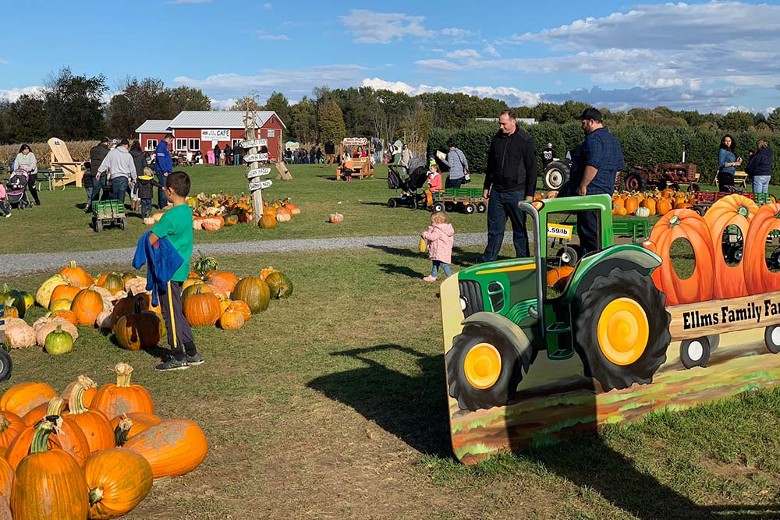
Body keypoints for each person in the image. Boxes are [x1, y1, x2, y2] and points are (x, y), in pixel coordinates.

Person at [145, 171, 203, 371]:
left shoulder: (169, 218)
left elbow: (151, 239)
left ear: (170, 191)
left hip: (168, 271)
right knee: (177, 310)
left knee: (170, 313)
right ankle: (192, 352)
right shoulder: (187, 212)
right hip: (181, 269)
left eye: (164, 189)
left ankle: (178, 355)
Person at [559, 108, 625, 256]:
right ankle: (600, 259)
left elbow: (593, 164)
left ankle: (591, 265)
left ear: (592, 122)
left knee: (589, 235)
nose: (582, 126)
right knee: (601, 232)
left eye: (584, 123)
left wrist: (583, 185)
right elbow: (618, 169)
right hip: (605, 194)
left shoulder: (593, 139)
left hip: (590, 193)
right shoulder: (613, 140)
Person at [481, 110, 538, 262]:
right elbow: (491, 165)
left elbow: (532, 168)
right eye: (499, 123)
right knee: (494, 229)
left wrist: (529, 194)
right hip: (497, 192)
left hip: (517, 192)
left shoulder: (525, 140)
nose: (501, 126)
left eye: (504, 124)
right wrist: (487, 186)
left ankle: (523, 260)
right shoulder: (496, 139)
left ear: (513, 121)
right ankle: (488, 260)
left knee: (519, 228)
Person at [96, 139, 137, 208]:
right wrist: (134, 178)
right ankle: (120, 212)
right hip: (124, 177)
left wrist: (99, 172)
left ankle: (114, 211)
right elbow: (132, 168)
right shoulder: (128, 155)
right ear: (126, 145)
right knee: (121, 194)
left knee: (114, 194)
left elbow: (105, 162)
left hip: (114, 177)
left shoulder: (112, 153)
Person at [421, 211, 455, 282]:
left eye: (432, 221)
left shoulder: (438, 229)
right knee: (435, 263)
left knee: (444, 264)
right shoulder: (446, 228)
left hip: (440, 250)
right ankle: (433, 276)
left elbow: (432, 237)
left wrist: (425, 234)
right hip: (443, 249)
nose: (431, 223)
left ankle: (451, 278)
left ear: (438, 221)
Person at [86, 137, 111, 212]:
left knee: (95, 190)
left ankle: (93, 206)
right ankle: (102, 204)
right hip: (102, 172)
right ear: (106, 143)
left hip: (94, 171)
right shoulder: (107, 151)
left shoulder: (93, 149)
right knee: (105, 189)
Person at [155, 134, 174, 208]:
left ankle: (163, 203)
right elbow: (161, 160)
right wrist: (164, 170)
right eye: (171, 140)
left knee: (165, 186)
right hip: (162, 170)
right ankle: (163, 205)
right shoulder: (161, 146)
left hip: (166, 170)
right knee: (163, 187)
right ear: (168, 139)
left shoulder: (164, 146)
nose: (171, 142)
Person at [129, 141, 146, 212]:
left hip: (131, 174)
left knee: (133, 189)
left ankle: (133, 204)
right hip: (140, 175)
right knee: (139, 190)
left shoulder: (129, 154)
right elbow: (144, 165)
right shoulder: (141, 155)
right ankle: (137, 206)